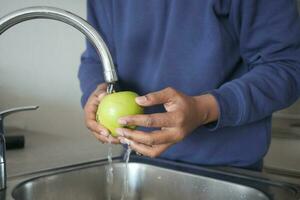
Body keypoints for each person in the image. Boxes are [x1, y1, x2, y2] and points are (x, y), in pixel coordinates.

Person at [78, 0, 300, 171]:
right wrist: (95, 91)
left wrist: (205, 110)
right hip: (134, 161)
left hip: (226, 171)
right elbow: (98, 58)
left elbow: (288, 65)